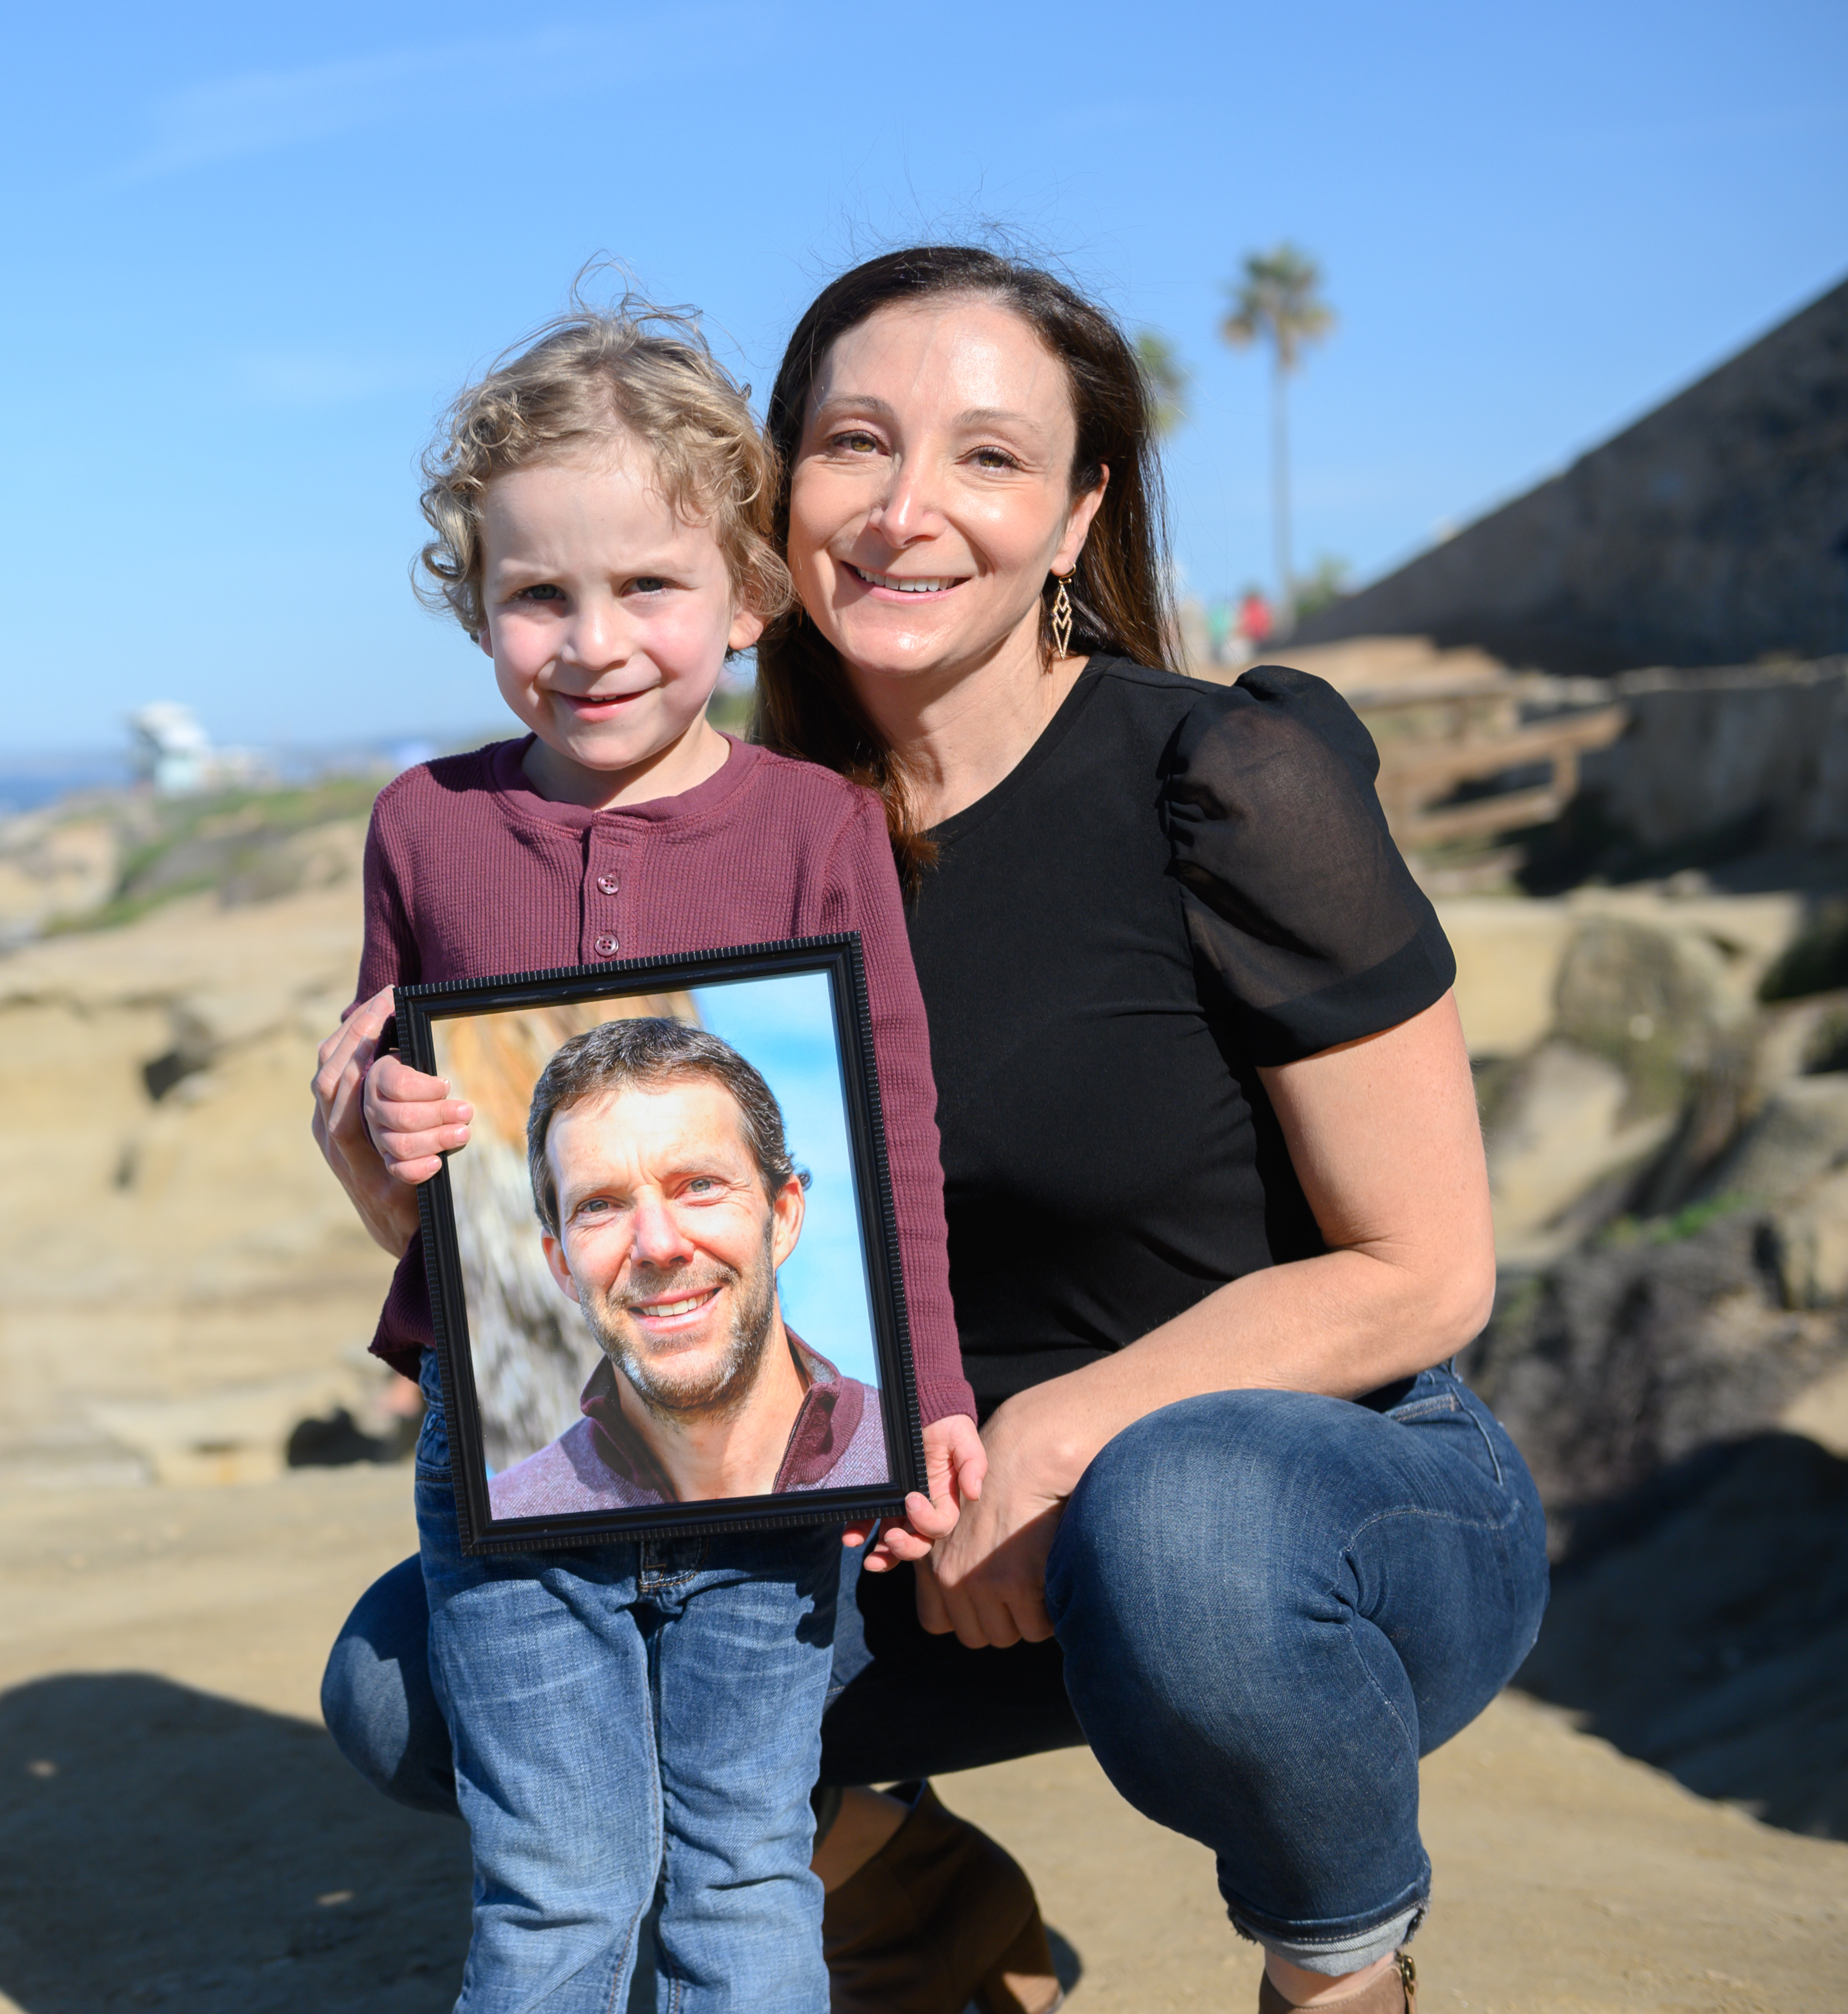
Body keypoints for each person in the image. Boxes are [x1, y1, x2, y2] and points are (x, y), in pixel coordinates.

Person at [320, 247, 1547, 2014]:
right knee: (409, 1674)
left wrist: (1054, 1435)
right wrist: (387, 1177)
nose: (907, 510)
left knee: (1181, 1530)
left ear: (1078, 510)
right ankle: (904, 1884)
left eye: (987, 455)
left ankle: (1338, 1954)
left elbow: (1425, 1267)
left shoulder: (1231, 775)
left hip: (1289, 1505)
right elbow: (594, 1214)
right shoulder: (746, 823)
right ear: (775, 502)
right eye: (856, 445)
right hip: (889, 1506)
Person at [309, 295, 987, 2014]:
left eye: (650, 587)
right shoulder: (423, 825)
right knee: (555, 1881)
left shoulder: (816, 823)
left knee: (744, 1858)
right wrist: (384, 1134)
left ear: (749, 593)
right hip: (519, 1434)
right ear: (474, 600)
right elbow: (422, 1165)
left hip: (775, 1458)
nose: (594, 639)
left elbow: (886, 1110)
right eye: (538, 593)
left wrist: (927, 1396)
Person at [486, 1017, 889, 1518]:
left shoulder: (923, 1481)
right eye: (599, 1205)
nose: (657, 1244)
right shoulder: (510, 1527)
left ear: (782, 1218)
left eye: (699, 1185)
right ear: (563, 1266)